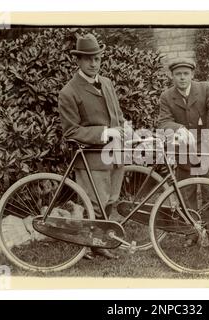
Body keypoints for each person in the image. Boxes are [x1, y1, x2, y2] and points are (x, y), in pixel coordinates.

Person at [157, 57, 209, 255]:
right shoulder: (166, 96)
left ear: (192, 75)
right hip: (184, 150)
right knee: (187, 193)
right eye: (178, 74)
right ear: (172, 76)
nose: (182, 78)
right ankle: (191, 233)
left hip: (207, 147)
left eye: (186, 74)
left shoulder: (205, 88)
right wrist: (178, 128)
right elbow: (163, 123)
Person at [58, 34, 125, 260]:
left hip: (115, 153)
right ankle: (84, 246)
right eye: (88, 59)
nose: (94, 63)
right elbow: (70, 131)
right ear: (78, 60)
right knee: (92, 203)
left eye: (97, 58)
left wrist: (125, 131)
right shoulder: (69, 92)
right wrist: (104, 133)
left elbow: (118, 116)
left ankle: (97, 242)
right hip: (91, 157)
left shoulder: (106, 83)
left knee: (110, 200)